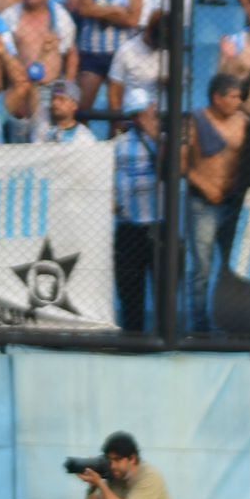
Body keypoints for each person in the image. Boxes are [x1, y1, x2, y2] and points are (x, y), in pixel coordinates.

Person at [183, 73, 246, 333]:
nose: (238, 102)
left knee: (233, 268)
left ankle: (229, 321)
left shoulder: (242, 121)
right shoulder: (195, 121)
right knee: (202, 268)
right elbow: (180, 163)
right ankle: (199, 325)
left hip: (232, 202)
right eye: (232, 97)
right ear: (216, 98)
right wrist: (205, 186)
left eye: (239, 97)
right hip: (203, 203)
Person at [70, 0, 141, 111]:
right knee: (82, 107)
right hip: (91, 52)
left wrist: (98, 10)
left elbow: (132, 20)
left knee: (116, 109)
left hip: (119, 54)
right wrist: (117, 10)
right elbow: (84, 9)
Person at [112, 86, 160, 331]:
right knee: (130, 287)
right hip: (128, 225)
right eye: (138, 114)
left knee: (163, 286)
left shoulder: (163, 141)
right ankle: (133, 336)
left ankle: (166, 337)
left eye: (146, 112)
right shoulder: (118, 145)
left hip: (157, 223)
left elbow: (174, 170)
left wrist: (154, 135)